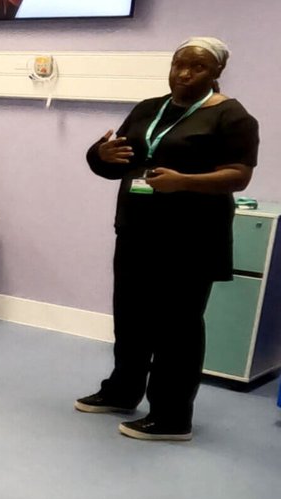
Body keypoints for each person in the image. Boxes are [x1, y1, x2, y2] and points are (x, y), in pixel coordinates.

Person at [74, 37, 260, 441]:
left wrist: (184, 183)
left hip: (191, 240)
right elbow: (120, 160)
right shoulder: (148, 109)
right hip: (137, 232)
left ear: (217, 73)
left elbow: (239, 174)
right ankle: (122, 391)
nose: (184, 74)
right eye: (179, 64)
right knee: (131, 317)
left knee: (178, 327)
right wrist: (98, 154)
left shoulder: (232, 117)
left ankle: (173, 417)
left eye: (197, 67)